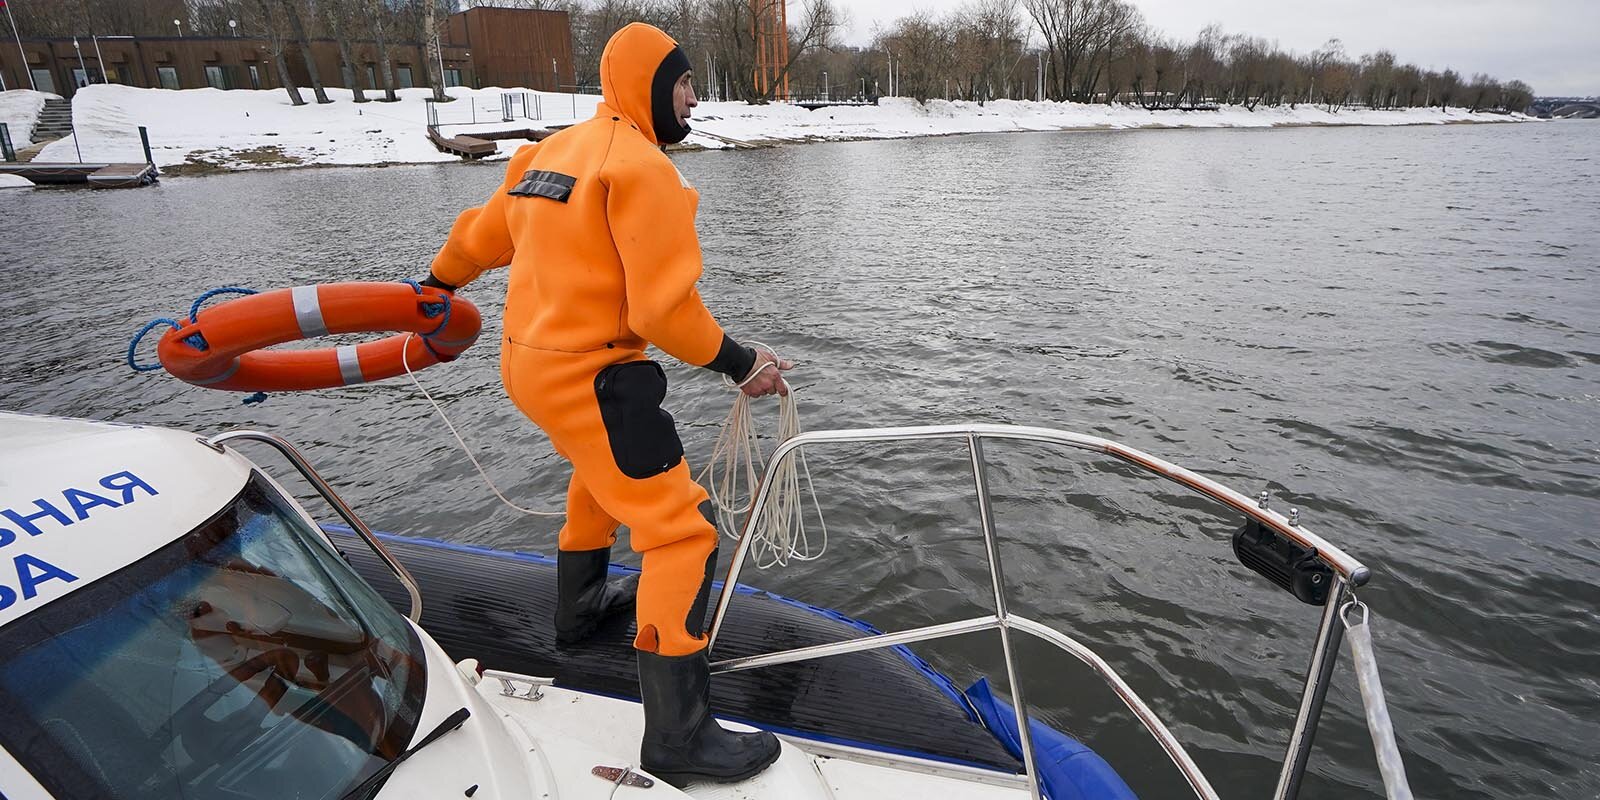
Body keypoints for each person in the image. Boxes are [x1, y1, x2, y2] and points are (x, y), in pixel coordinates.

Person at [422, 22, 790, 786]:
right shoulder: (643, 171)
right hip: (594, 373)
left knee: (599, 472)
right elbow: (663, 313)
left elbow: (483, 239)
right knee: (681, 533)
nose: (693, 99)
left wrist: (437, 287)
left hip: (526, 366)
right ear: (651, 86)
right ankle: (679, 738)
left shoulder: (547, 154)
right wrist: (741, 363)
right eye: (684, 84)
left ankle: (581, 608)